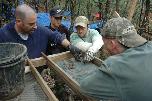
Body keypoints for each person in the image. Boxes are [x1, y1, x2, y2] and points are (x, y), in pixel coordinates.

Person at [80, 17, 152, 101]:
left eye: (104, 43)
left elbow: (85, 87)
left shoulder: (116, 65)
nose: (105, 47)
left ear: (112, 44)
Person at [0, 4, 77, 59]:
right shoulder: (4, 36)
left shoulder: (39, 29)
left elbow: (56, 36)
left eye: (35, 22)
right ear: (19, 22)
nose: (35, 26)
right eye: (31, 24)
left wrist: (70, 46)